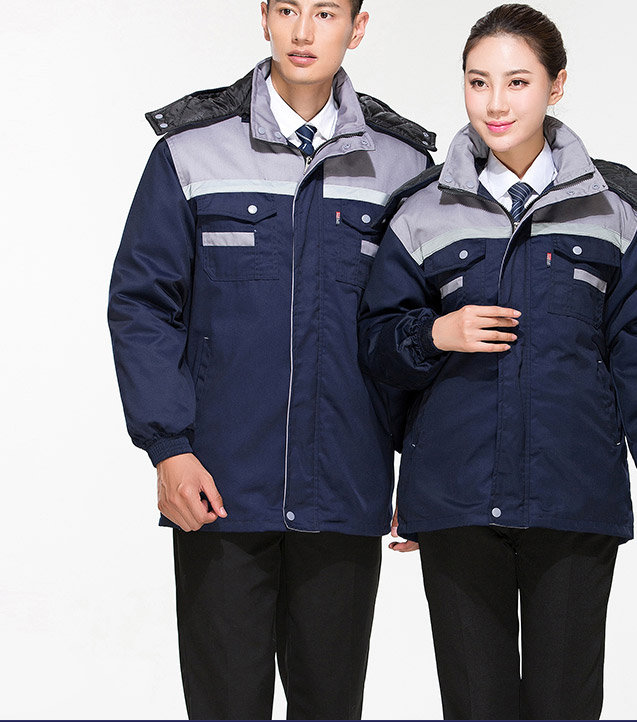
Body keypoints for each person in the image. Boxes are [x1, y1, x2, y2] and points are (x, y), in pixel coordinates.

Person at [358, 4, 637, 720]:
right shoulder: (421, 211)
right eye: (478, 81)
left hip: (573, 495)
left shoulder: (615, 210)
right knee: (475, 708)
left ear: (556, 84)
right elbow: (378, 345)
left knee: (564, 707)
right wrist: (436, 334)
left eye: (517, 82)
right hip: (455, 497)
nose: (495, 103)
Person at [107, 1, 434, 719]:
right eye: (287, 8)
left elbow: (418, 331)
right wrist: (168, 448)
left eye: (325, 12)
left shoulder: (403, 167)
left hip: (346, 490)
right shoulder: (191, 152)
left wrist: (426, 472)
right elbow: (142, 304)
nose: (303, 31)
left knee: (331, 709)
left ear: (358, 26)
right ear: (264, 17)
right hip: (218, 491)